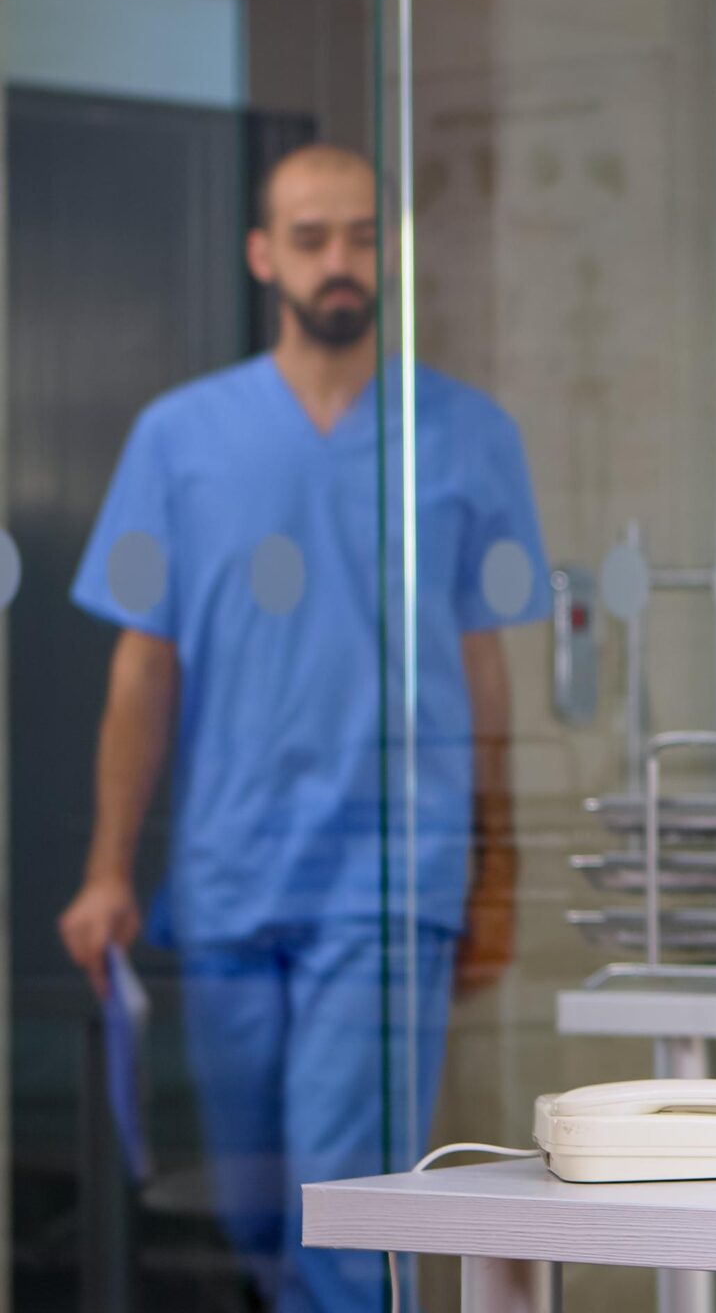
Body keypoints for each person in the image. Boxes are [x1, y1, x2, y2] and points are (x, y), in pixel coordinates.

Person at [54, 143, 548, 1310]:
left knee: (344, 1221)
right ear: (263, 255)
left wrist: (498, 862)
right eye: (315, 237)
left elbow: (485, 664)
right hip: (228, 877)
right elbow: (143, 667)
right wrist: (107, 868)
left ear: (393, 253)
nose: (342, 262)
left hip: (385, 882)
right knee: (253, 1211)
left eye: (365, 237)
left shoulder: (466, 435)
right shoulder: (178, 438)